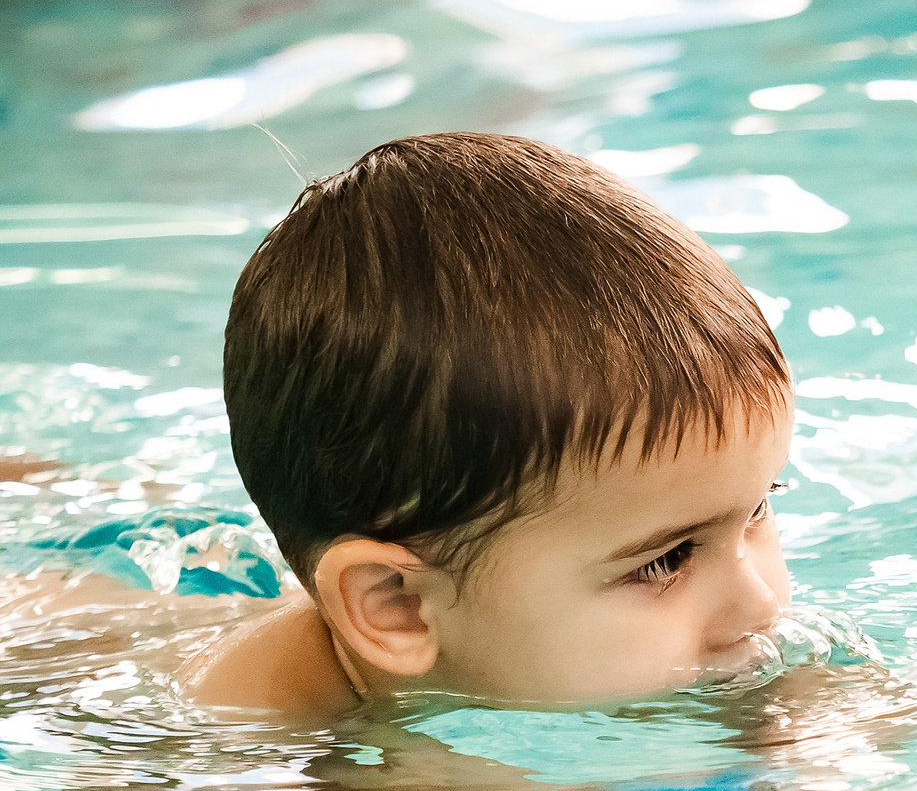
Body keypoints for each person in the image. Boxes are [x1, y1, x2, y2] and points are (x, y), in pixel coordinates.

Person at [178, 132, 801, 715]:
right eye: (665, 562)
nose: (761, 607)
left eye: (757, 512)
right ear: (400, 607)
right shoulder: (238, 763)